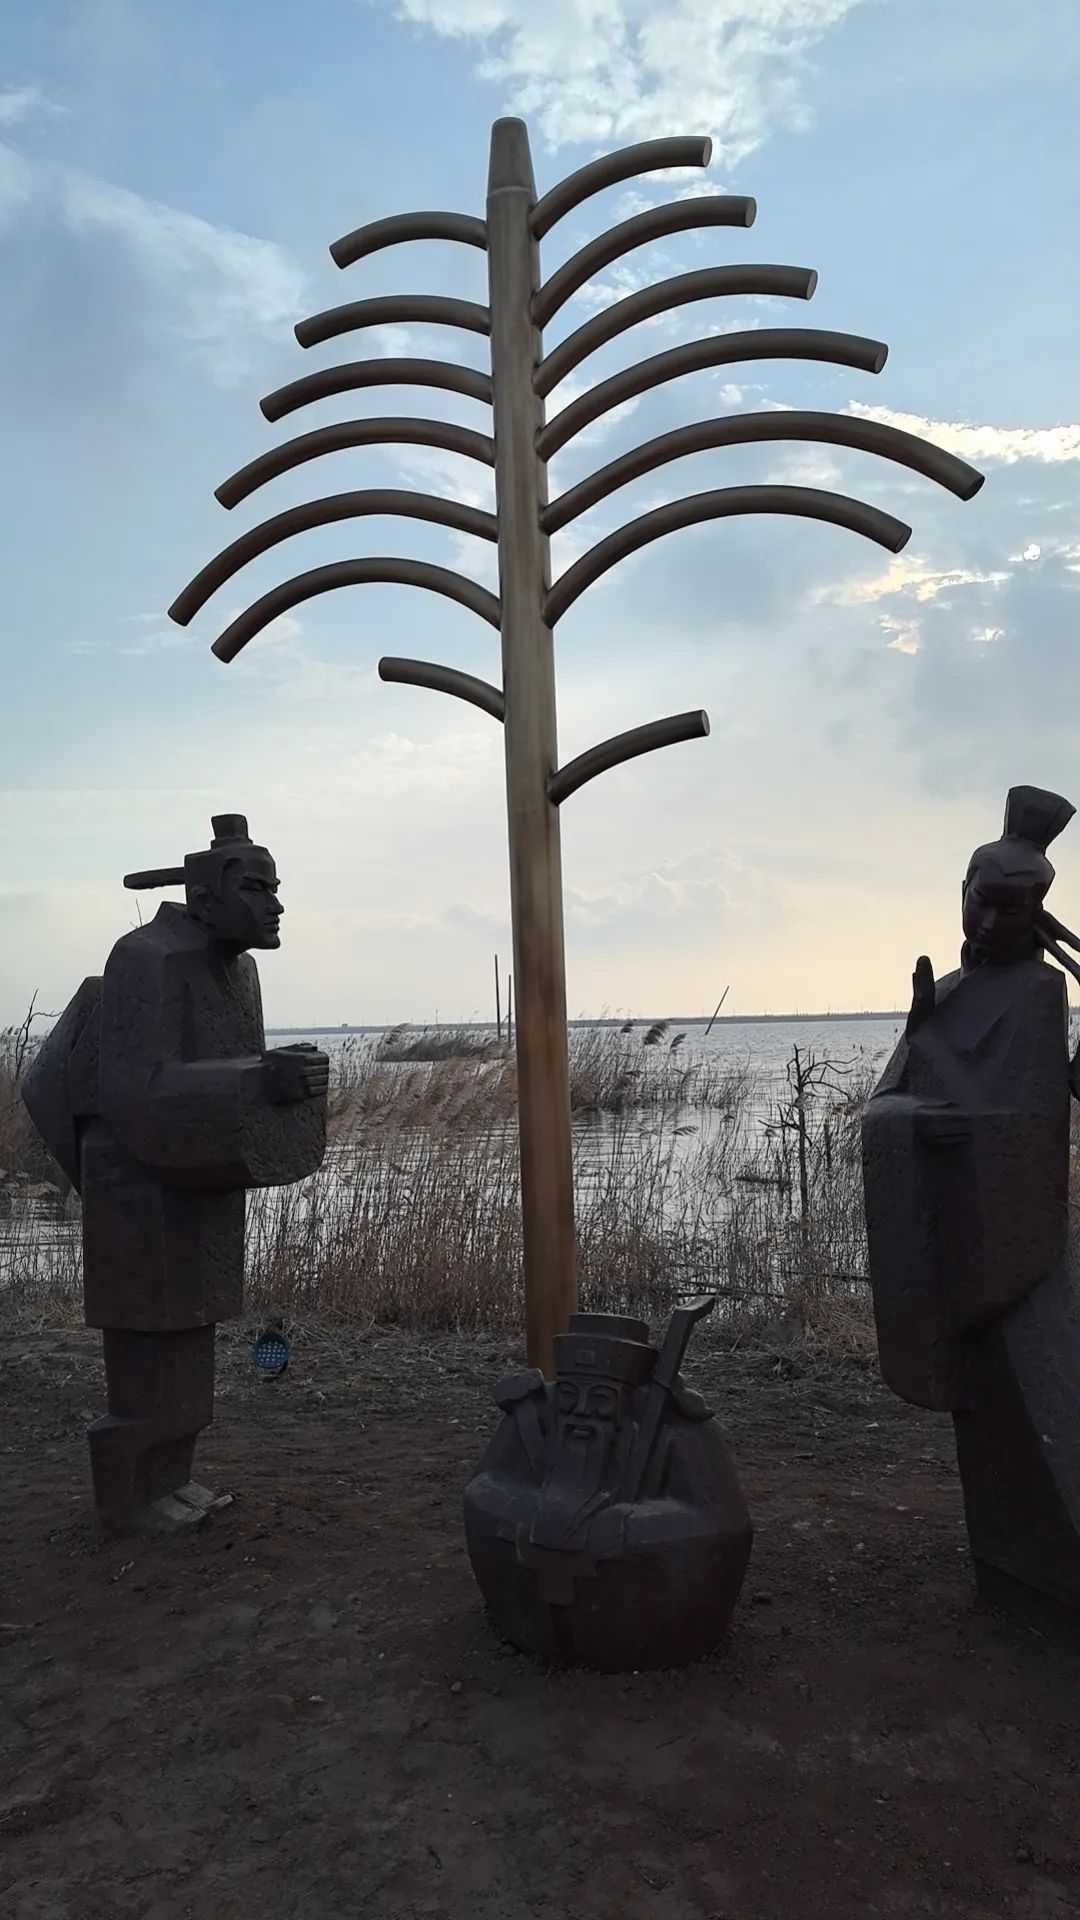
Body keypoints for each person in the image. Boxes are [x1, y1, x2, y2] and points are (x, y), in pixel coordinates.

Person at [22, 815, 328, 1535]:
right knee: (145, 1350)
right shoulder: (146, 958)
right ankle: (130, 1501)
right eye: (257, 888)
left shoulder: (238, 970)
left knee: (190, 1338)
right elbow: (137, 1089)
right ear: (206, 895)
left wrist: (277, 1082)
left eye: (274, 887)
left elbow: (227, 1072)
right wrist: (261, 1079)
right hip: (134, 1190)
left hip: (194, 1183)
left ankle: (173, 1482)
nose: (275, 904)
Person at [862, 786, 1080, 1634]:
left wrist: (962, 1121)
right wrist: (911, 1118)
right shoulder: (946, 993)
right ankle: (1009, 1568)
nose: (987, 925)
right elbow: (888, 1104)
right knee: (993, 1421)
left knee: (1043, 1406)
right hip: (962, 1235)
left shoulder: (1039, 995)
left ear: (1037, 916)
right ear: (962, 891)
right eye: (978, 901)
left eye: (1010, 910)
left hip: (1015, 1248)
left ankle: (1050, 1579)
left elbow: (1031, 1122)